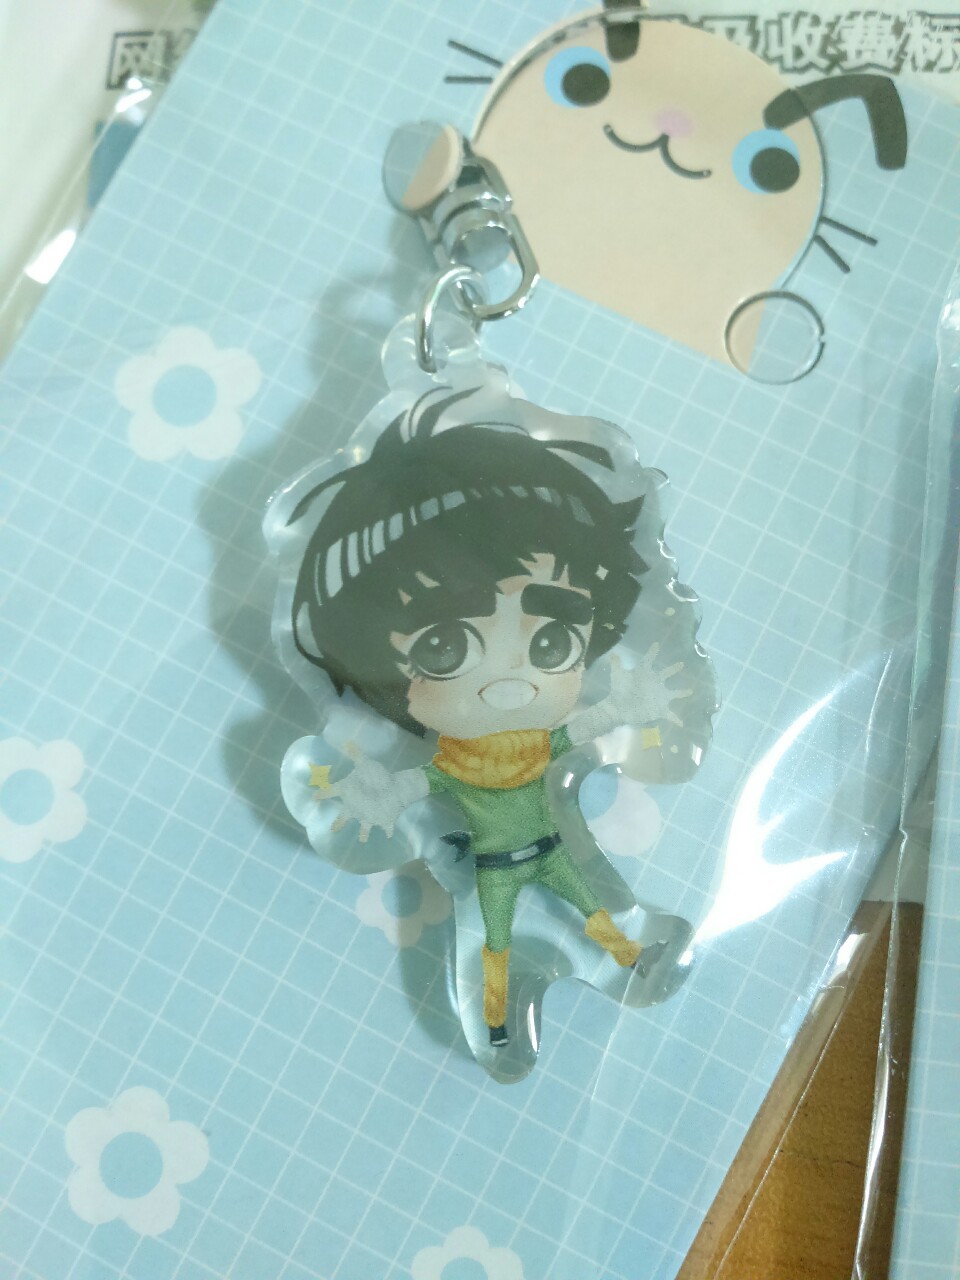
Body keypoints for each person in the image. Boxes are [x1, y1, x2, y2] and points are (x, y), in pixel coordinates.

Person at [287, 388, 688, 1046]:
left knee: (597, 904)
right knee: (493, 941)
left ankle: (630, 958)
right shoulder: (448, 767)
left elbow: (591, 725)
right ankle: (497, 1019)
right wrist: (364, 796)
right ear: (379, 671)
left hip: (553, 848)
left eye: (552, 642)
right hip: (492, 870)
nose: (507, 681)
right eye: (444, 648)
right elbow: (408, 788)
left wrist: (632, 704)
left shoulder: (542, 745)